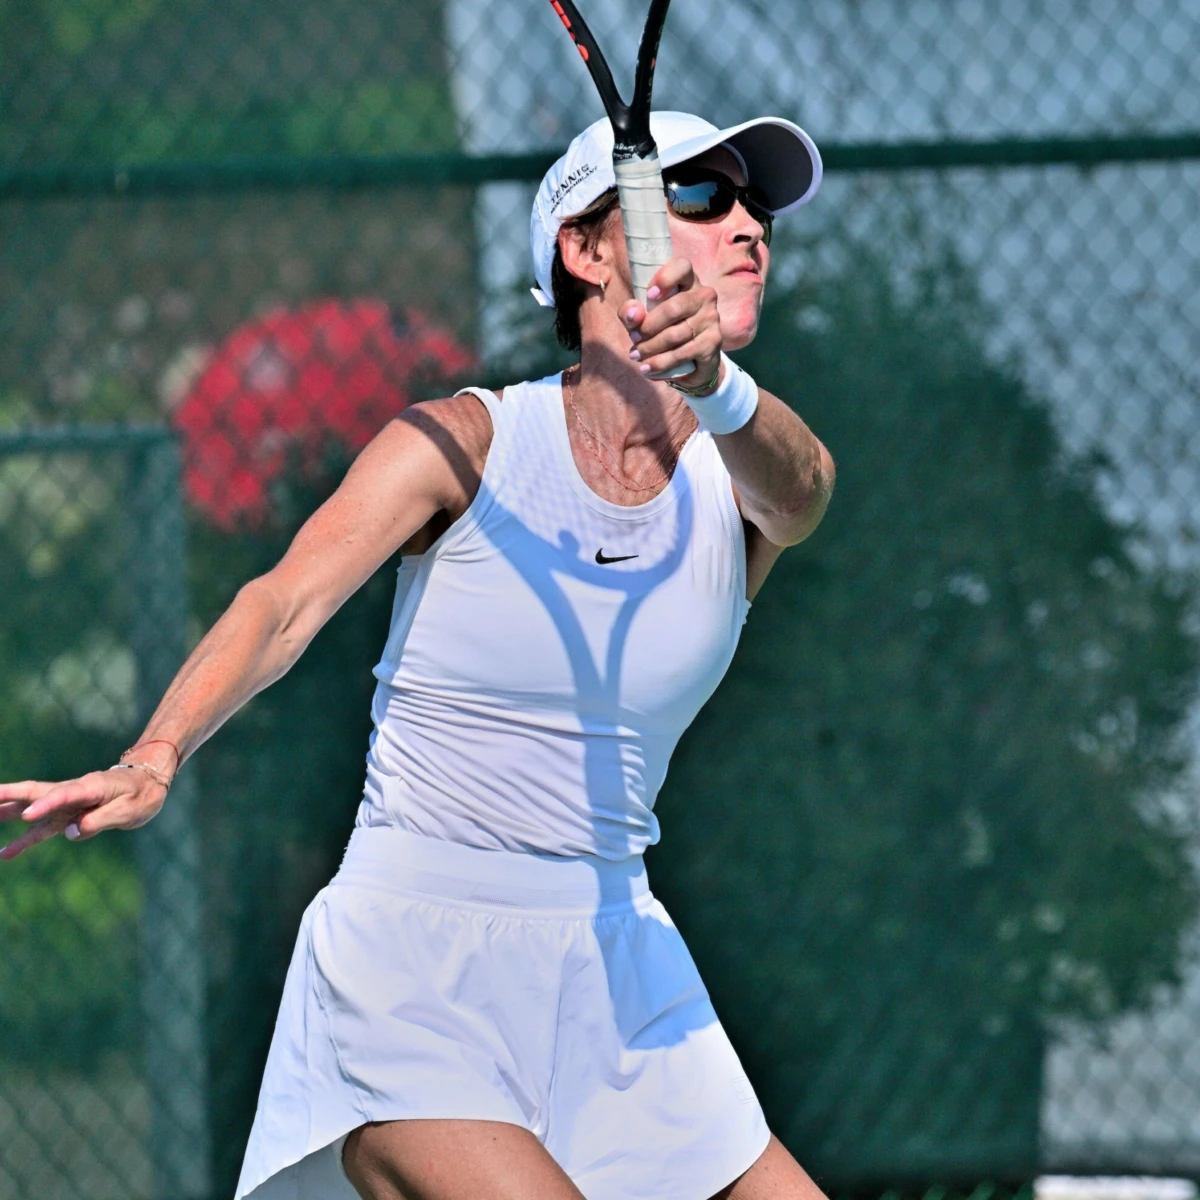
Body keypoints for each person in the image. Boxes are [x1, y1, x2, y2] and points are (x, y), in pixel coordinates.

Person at [0, 110, 836, 1200]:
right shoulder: (467, 442)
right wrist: (154, 754)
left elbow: (805, 487)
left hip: (620, 958)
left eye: (757, 208)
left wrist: (718, 386)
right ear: (587, 251)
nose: (748, 228)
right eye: (697, 195)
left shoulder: (744, 488)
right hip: (413, 956)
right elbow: (281, 604)